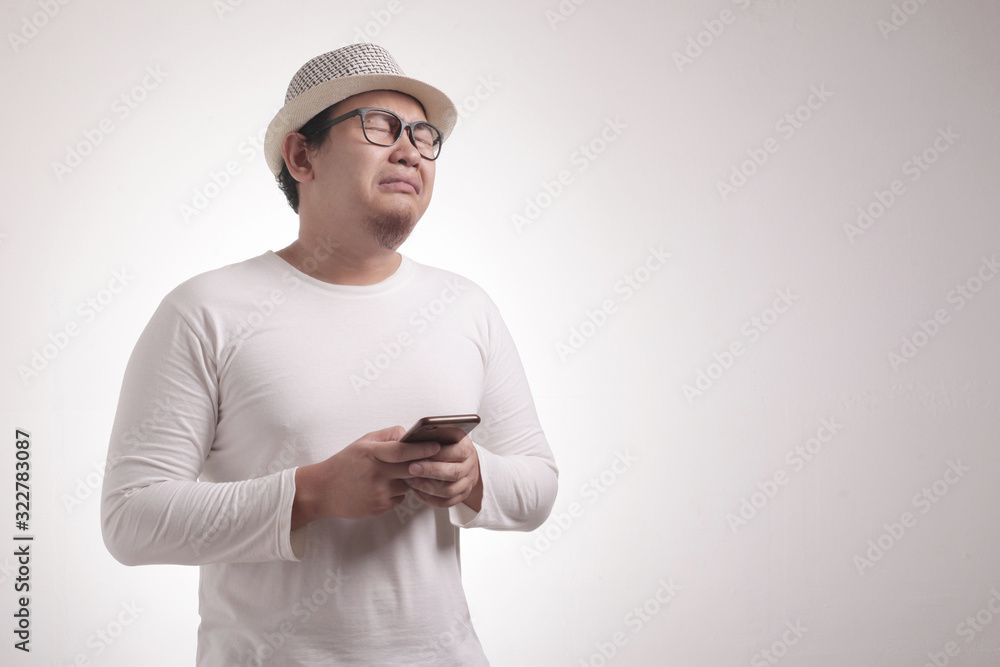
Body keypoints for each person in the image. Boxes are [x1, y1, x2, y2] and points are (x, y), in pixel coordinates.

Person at [101, 43, 558, 666]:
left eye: (423, 135)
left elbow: (538, 486)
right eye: (380, 126)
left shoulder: (466, 306)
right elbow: (130, 520)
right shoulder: (205, 310)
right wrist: (312, 492)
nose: (409, 150)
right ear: (301, 156)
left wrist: (475, 477)